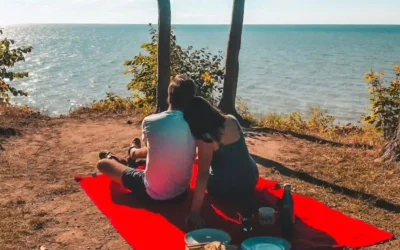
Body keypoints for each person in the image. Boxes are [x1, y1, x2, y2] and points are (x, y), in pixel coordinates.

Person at [96, 75, 196, 202]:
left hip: (151, 193)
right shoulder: (196, 124)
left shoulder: (151, 121)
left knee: (103, 164)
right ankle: (132, 154)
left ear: (169, 97)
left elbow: (150, 150)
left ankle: (119, 158)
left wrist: (134, 152)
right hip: (181, 193)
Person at [185, 96, 259, 228]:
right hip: (250, 179)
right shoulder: (232, 119)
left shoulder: (206, 137)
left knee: (205, 172)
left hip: (224, 189)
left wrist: (194, 212)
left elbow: (203, 174)